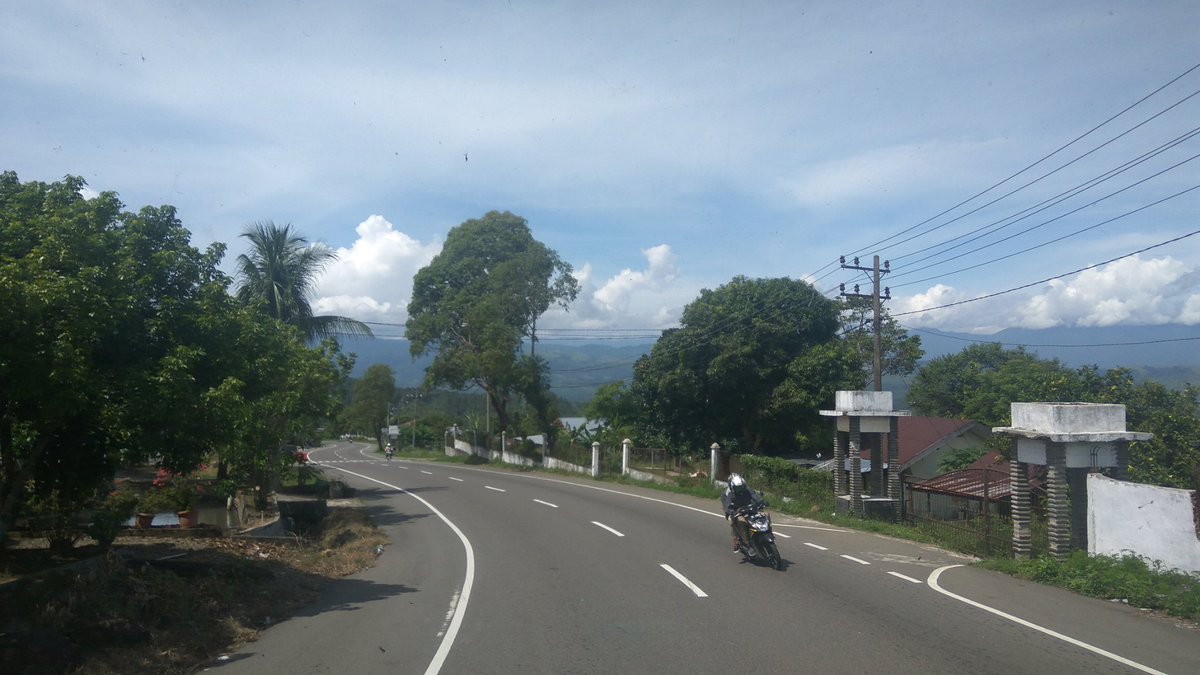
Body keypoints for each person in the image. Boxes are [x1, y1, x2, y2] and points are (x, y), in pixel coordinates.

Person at [721, 473, 764, 553]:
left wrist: (761, 502)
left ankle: (767, 532)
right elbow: (727, 506)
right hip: (737, 512)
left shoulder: (748, 490)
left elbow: (755, 496)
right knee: (740, 521)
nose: (740, 490)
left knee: (765, 515)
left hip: (750, 509)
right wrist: (732, 512)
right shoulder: (728, 494)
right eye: (737, 488)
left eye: (741, 487)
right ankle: (746, 544)